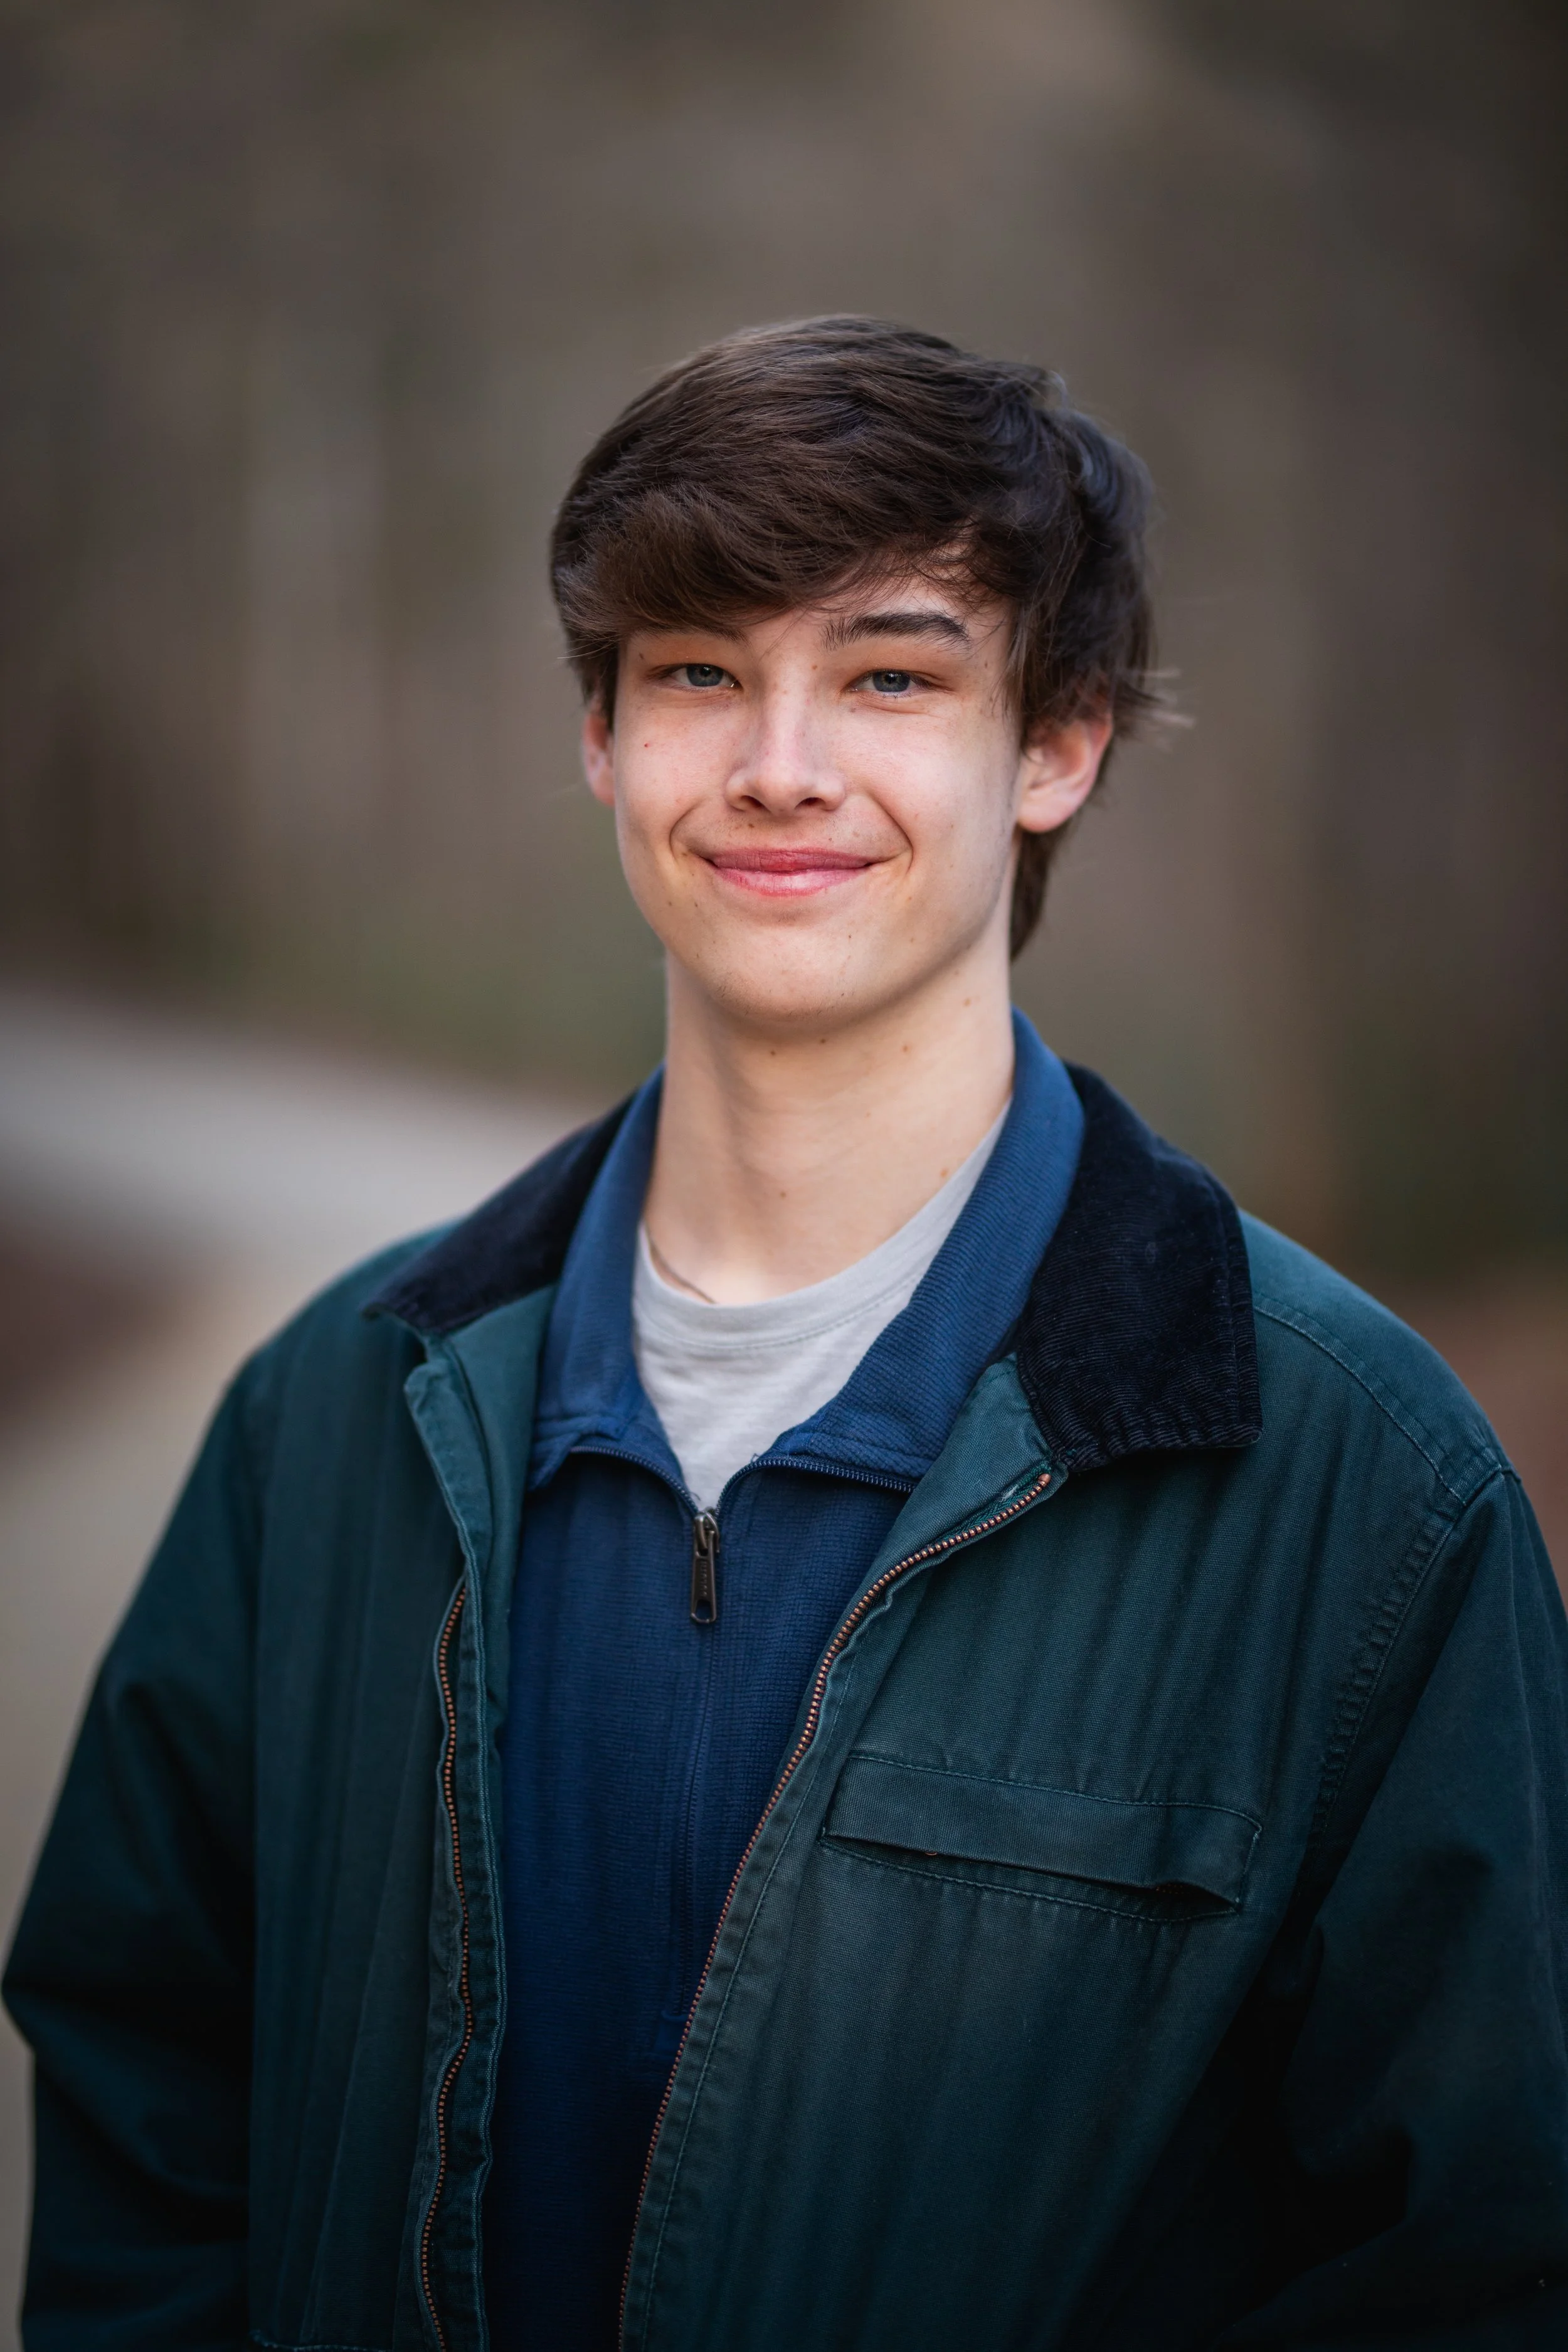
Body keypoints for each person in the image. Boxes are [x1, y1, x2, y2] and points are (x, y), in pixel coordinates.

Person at [7, 317, 1566, 2352]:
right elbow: (146, 2124)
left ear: (1061, 738)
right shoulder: (332, 1421)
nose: (776, 763)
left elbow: (1479, 2263)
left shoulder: (1355, 1483)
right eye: (694, 674)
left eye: (891, 672)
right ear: (601, 734)